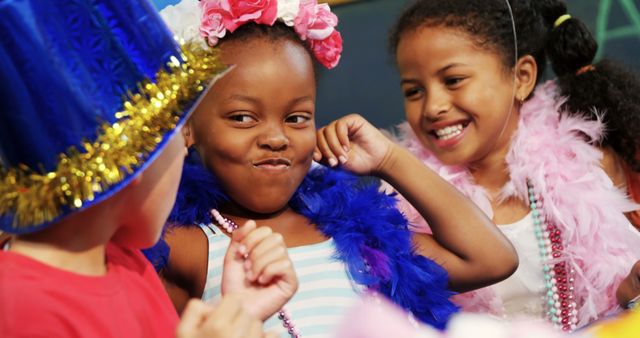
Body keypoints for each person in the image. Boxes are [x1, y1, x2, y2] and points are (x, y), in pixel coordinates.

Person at [147, 0, 518, 335]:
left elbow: (491, 259)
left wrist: (389, 159)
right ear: (188, 128)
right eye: (243, 117)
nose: (276, 138)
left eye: (296, 117)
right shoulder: (184, 246)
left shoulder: (355, 232)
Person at [0, 1, 292, 337]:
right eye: (178, 136)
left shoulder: (127, 263)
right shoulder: (18, 304)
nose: (185, 152)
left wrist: (237, 310)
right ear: (136, 156)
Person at [369, 0, 640, 331]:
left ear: (522, 77)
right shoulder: (402, 209)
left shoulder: (590, 165)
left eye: (453, 80)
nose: (433, 106)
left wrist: (629, 291)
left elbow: (612, 296)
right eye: (414, 91)